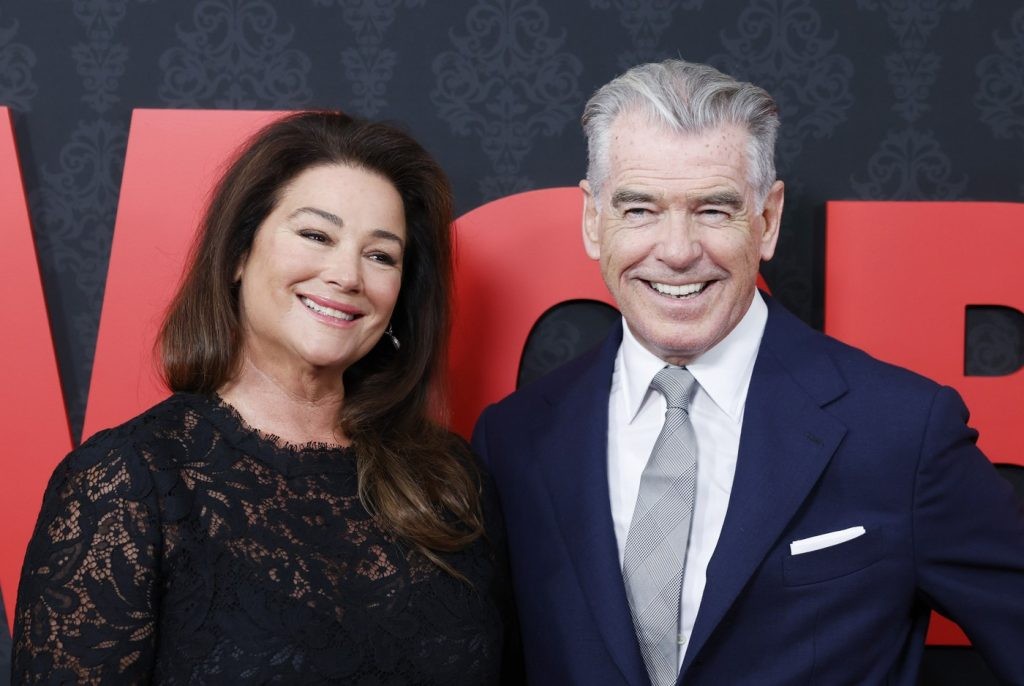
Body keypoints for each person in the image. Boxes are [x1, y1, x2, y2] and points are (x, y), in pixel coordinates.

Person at [472, 59, 1024, 685]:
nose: (677, 251)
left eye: (713, 210)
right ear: (593, 220)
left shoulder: (904, 432)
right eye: (640, 209)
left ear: (768, 219)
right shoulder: (513, 440)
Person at [13, 111, 513, 684]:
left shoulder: (453, 480)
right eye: (316, 236)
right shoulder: (129, 480)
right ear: (237, 256)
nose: (348, 275)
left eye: (381, 255)